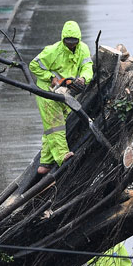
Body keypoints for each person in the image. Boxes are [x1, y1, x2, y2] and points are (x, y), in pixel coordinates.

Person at [29, 20, 93, 175]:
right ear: (63, 39)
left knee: (55, 125)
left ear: (78, 40)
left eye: (73, 42)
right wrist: (51, 77)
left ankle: (45, 163)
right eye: (68, 42)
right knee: (55, 124)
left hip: (64, 92)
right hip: (47, 92)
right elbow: (33, 65)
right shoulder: (52, 51)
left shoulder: (83, 49)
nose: (71, 45)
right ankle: (61, 156)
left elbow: (87, 67)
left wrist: (83, 78)